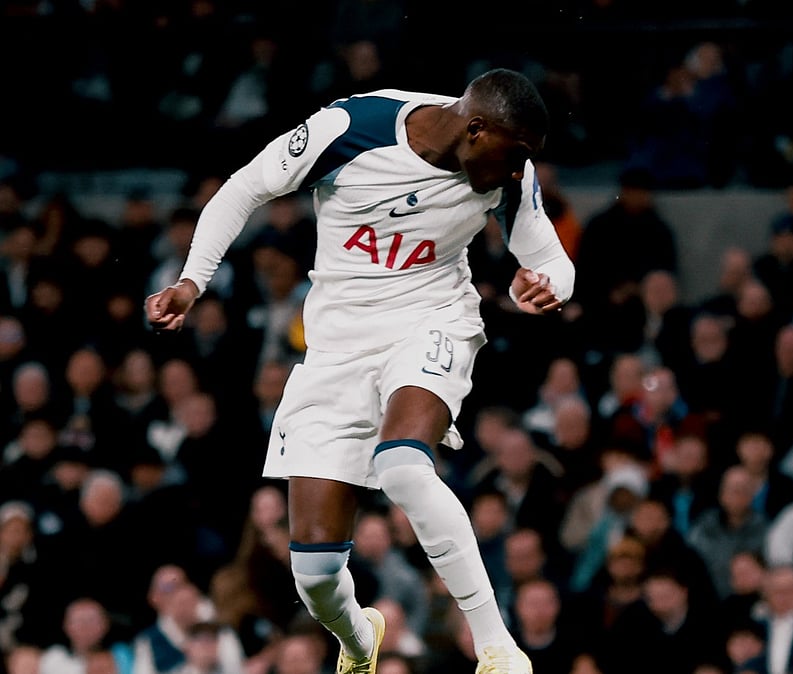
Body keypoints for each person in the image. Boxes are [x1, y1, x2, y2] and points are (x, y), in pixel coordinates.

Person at [145, 68, 574, 674]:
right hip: (337, 350)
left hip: (433, 320)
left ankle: (498, 647)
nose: (517, 171)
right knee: (315, 575)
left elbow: (550, 258)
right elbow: (244, 188)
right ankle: (356, 638)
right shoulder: (354, 127)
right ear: (475, 129)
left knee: (402, 464)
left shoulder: (509, 171)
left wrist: (548, 284)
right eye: (515, 155)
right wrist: (193, 280)